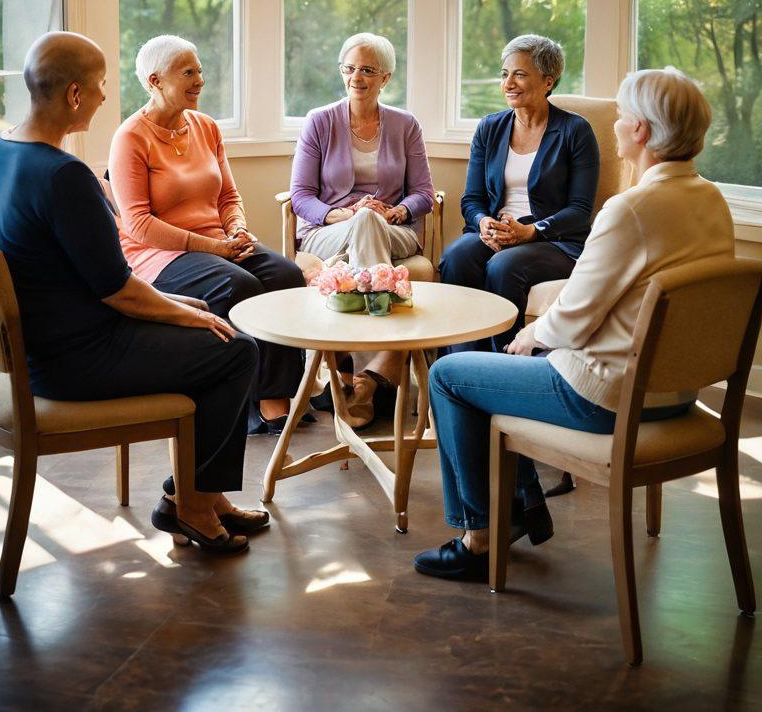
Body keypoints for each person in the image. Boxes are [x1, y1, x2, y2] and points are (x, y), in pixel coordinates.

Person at [414, 66, 734, 581]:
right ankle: (521, 502)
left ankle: (480, 539)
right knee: (488, 365)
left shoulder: (630, 209)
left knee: (451, 375)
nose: (616, 124)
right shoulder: (711, 200)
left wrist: (527, 335)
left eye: (624, 116)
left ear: (643, 132)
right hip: (675, 393)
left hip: (607, 396)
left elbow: (572, 319)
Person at [0, 32, 263, 556]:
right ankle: (191, 505)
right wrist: (184, 315)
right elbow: (119, 291)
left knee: (214, 331)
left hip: (38, 349)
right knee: (233, 349)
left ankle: (203, 493)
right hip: (76, 358)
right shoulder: (64, 176)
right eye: (102, 85)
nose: (107, 96)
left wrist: (179, 307)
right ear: (75, 95)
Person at [108, 35, 306, 436]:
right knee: (239, 286)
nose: (200, 80)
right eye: (188, 73)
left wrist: (236, 228)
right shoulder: (131, 137)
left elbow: (228, 195)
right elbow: (138, 225)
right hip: (158, 255)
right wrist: (213, 246)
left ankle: (277, 396)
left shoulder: (206, 127)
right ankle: (241, 403)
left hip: (218, 242)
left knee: (287, 276)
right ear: (155, 80)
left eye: (199, 70)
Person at [290, 32, 435, 426]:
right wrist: (347, 216)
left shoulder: (406, 125)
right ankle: (374, 375)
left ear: (385, 77)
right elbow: (300, 196)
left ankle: (346, 369)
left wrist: (394, 213)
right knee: (362, 222)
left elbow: (424, 193)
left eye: (367, 70)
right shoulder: (319, 121)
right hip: (329, 229)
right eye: (349, 68)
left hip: (393, 230)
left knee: (368, 223)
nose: (356, 76)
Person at [440, 34, 600, 351]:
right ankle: (462, 364)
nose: (508, 83)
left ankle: (505, 363)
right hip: (496, 229)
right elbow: (472, 199)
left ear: (547, 81)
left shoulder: (575, 131)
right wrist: (483, 221)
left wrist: (530, 231)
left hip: (552, 240)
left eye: (520, 74)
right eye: (505, 74)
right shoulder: (489, 127)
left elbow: (580, 209)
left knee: (504, 266)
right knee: (455, 257)